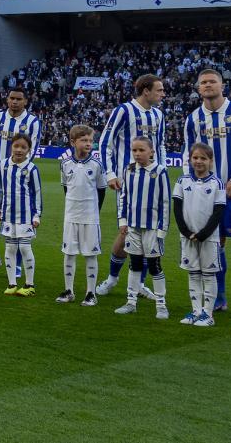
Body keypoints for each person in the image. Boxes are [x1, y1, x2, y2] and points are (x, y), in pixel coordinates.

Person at [182, 69, 231, 312]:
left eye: (212, 81)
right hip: (208, 195)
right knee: (215, 245)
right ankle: (219, 297)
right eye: (203, 82)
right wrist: (192, 184)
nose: (207, 85)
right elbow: (188, 154)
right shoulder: (193, 118)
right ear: (198, 88)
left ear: (222, 85)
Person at [98, 75, 168, 299]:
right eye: (159, 90)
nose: (163, 94)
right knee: (126, 231)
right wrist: (109, 173)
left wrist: (162, 169)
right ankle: (112, 278)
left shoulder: (158, 114)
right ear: (145, 91)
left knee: (150, 233)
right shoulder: (124, 111)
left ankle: (138, 284)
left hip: (153, 183)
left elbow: (161, 145)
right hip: (128, 182)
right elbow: (105, 141)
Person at [0, 88, 41, 276]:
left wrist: (20, 169)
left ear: (25, 101)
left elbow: (32, 149)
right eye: (11, 98)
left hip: (19, 178)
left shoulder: (32, 122)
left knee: (15, 219)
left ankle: (16, 263)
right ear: (7, 99)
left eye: (18, 99)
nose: (14, 102)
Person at [115, 136, 171, 319]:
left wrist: (162, 229)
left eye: (141, 150)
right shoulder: (128, 170)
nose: (137, 154)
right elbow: (123, 197)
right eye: (134, 150)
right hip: (133, 226)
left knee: (154, 265)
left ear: (151, 152)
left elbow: (165, 202)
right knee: (135, 264)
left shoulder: (160, 172)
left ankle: (161, 305)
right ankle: (131, 302)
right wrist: (122, 221)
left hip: (152, 227)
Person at [174, 143, 227, 326]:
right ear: (190, 159)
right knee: (193, 273)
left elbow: (219, 212)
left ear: (211, 161)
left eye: (203, 158)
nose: (198, 161)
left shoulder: (217, 183)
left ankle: (208, 314)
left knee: (208, 274)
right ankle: (196, 311)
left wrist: (203, 234)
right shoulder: (182, 181)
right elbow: (177, 209)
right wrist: (186, 232)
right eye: (195, 158)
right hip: (188, 237)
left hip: (209, 238)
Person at [57, 124, 108, 306]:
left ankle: (90, 293)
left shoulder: (96, 165)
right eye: (84, 140)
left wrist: (94, 211)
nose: (88, 144)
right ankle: (69, 290)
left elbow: (101, 191)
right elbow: (66, 187)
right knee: (69, 253)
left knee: (90, 254)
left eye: (90, 140)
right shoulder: (65, 164)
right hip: (70, 216)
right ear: (73, 142)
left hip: (90, 217)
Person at [0, 134, 44, 297]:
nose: (19, 150)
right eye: (16, 146)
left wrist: (37, 215)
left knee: (24, 247)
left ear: (29, 150)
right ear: (11, 147)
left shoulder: (31, 168)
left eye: (23, 147)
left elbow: (37, 193)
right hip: (8, 215)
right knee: (10, 247)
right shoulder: (2, 166)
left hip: (26, 216)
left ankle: (30, 285)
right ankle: (12, 284)